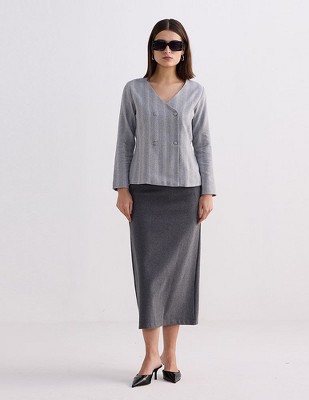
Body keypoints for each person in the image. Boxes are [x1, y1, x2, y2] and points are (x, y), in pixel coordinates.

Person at [112, 18, 217, 388]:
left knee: (178, 277)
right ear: (151, 49)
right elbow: (125, 140)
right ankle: (150, 354)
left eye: (174, 44)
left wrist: (208, 191)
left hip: (185, 192)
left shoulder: (196, 92)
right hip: (144, 191)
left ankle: (170, 355)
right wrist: (122, 188)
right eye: (160, 44)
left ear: (184, 50)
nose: (167, 50)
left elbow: (203, 142)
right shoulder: (134, 90)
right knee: (149, 275)